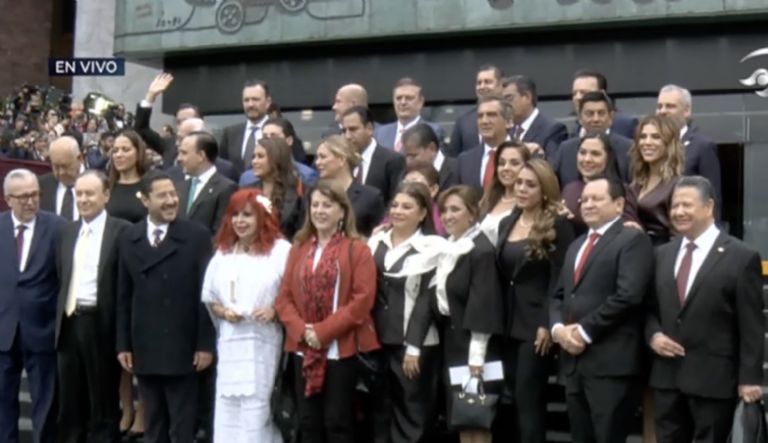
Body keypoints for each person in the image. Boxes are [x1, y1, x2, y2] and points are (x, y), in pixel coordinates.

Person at [646, 176, 763, 443]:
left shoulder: (741, 257)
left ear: (709, 207)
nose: (678, 212)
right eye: (674, 206)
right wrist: (653, 335)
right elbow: (649, 308)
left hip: (714, 381)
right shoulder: (661, 254)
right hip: (667, 380)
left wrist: (750, 378)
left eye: (686, 205)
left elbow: (752, 325)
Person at [275, 180, 380, 443]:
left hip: (339, 349)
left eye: (328, 205)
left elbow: (361, 302)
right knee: (308, 422)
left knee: (338, 422)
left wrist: (322, 332)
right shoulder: (299, 248)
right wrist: (302, 331)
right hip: (303, 347)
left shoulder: (358, 250)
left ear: (342, 212)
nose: (320, 211)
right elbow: (284, 298)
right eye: (315, 205)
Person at [550, 177, 653, 443]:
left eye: (597, 199)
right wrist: (559, 330)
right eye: (585, 199)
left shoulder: (631, 240)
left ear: (619, 204)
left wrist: (584, 332)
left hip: (611, 364)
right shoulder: (576, 245)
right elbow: (559, 295)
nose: (588, 204)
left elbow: (628, 295)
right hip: (574, 365)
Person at [116, 170, 216, 443]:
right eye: (163, 196)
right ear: (145, 200)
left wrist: (205, 345)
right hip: (145, 346)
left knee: (182, 428)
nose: (171, 201)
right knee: (154, 425)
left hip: (184, 348)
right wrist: (124, 344)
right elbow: (124, 296)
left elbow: (206, 295)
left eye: (174, 194)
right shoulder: (129, 237)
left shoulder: (197, 236)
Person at [202, 189, 290, 442]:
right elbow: (211, 297)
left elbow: (292, 293)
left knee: (256, 407)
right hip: (231, 342)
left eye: (247, 215)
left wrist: (274, 311)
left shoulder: (280, 251)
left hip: (262, 340)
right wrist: (224, 312)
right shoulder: (224, 252)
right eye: (235, 215)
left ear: (262, 217)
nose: (240, 221)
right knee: (228, 408)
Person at [496, 160, 574, 443]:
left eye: (530, 184)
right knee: (509, 401)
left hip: (535, 326)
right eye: (519, 183)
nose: (522, 189)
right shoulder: (508, 221)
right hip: (505, 323)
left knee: (529, 402)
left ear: (544, 190)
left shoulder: (558, 224)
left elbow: (560, 277)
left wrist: (547, 322)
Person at [55, 171, 130, 443]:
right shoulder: (67, 232)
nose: (83, 199)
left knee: (103, 403)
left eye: (90, 193)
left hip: (101, 323)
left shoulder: (122, 231)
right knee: (69, 403)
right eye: (79, 194)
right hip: (69, 323)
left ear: (106, 195)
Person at [368, 182, 442, 443]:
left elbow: (426, 300)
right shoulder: (376, 241)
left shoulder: (433, 246)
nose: (398, 211)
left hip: (414, 344)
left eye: (407, 207)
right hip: (378, 339)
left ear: (423, 213)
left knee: (412, 414)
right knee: (380, 411)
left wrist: (414, 347)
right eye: (396, 205)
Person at [436, 185, 505, 443]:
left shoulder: (481, 250)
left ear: (472, 213)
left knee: (479, 418)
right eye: (444, 210)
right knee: (464, 417)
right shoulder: (451, 246)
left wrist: (476, 357)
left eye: (455, 209)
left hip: (476, 347)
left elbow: (483, 304)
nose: (447, 216)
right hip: (454, 341)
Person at [0, 169, 64, 443]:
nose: (31, 201)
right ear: (8, 199)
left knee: (45, 406)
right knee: (2, 405)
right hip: (3, 332)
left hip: (43, 331)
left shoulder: (59, 228)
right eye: (24, 196)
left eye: (35, 194)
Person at [561, 132, 640, 236]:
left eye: (595, 154)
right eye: (582, 152)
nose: (587, 159)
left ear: (608, 158)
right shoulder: (569, 188)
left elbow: (628, 231)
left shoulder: (621, 190)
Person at [554, 91, 633, 187]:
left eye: (601, 113)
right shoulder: (565, 150)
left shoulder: (628, 148)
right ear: (580, 118)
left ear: (611, 117)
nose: (596, 119)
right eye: (589, 114)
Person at [314, 135, 385, 236]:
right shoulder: (314, 194)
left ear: (341, 160)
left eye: (323, 157)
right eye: (317, 157)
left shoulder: (370, 196)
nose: (317, 162)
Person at [630, 115, 684, 245]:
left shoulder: (678, 185)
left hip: (662, 254)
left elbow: (679, 235)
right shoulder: (636, 183)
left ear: (669, 143)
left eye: (656, 137)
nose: (647, 142)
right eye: (643, 137)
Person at [176, 131, 237, 235]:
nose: (179, 158)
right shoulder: (180, 186)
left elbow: (221, 232)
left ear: (201, 155)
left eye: (184, 153)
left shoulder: (226, 188)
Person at [342, 106, 406, 205]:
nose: (347, 136)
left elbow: (395, 200)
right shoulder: (342, 161)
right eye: (344, 131)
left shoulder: (393, 160)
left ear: (369, 129)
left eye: (353, 129)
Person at [246, 137, 305, 239]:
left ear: (276, 158)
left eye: (260, 157)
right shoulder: (246, 191)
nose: (254, 161)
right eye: (253, 157)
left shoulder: (299, 191)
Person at [239, 117, 318, 187]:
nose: (269, 140)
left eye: (274, 136)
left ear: (289, 141)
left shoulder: (306, 176)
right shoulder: (248, 178)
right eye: (265, 136)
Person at [502, 75, 568, 159]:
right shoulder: (507, 131)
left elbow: (553, 167)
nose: (505, 105)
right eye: (502, 101)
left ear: (527, 97)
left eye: (509, 99)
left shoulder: (553, 130)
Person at [457, 95, 513, 191]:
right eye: (480, 116)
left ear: (508, 122)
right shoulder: (464, 160)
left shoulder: (524, 155)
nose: (484, 121)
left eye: (491, 115)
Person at [478, 141, 530, 245]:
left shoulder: (530, 203)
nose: (506, 168)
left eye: (514, 163)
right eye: (501, 163)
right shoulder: (487, 199)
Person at [374, 77, 445, 152]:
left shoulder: (432, 131)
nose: (403, 102)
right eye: (398, 98)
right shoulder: (380, 133)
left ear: (421, 102)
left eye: (409, 98)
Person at [447, 65, 504, 157]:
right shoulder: (463, 122)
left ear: (500, 86)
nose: (482, 86)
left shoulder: (513, 116)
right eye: (479, 83)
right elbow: (453, 158)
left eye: (487, 82)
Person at [219, 80, 274, 175]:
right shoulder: (230, 133)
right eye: (246, 100)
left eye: (255, 99)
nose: (250, 104)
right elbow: (222, 167)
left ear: (268, 102)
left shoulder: (278, 130)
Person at [570, 69, 638, 139]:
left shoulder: (625, 125)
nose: (577, 97)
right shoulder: (575, 131)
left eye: (583, 92)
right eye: (574, 93)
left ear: (602, 93)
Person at [106, 129, 149, 224]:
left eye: (125, 150)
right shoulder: (107, 187)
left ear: (138, 153)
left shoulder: (149, 186)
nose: (119, 155)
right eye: (115, 151)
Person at [39, 135, 85, 221]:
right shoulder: (42, 185)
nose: (61, 172)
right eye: (56, 167)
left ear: (80, 158)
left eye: (65, 166)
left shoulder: (99, 183)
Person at [401, 123, 458, 191]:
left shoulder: (458, 169)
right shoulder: (404, 173)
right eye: (407, 156)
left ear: (432, 148)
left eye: (414, 156)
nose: (408, 161)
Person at [402, 161, 446, 236]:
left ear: (433, 190)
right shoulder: (395, 211)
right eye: (406, 183)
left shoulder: (443, 216)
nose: (408, 188)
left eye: (415, 183)